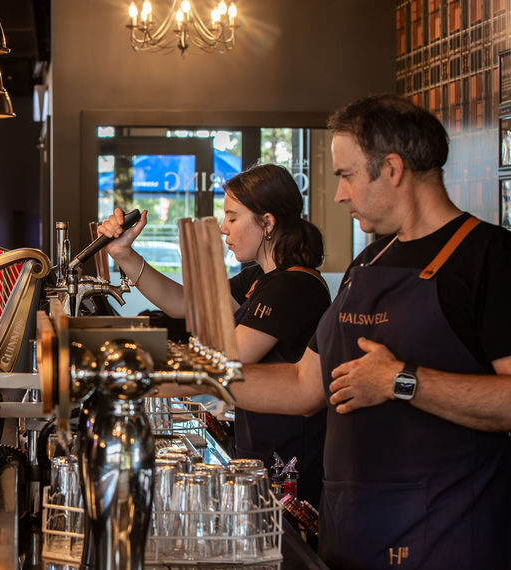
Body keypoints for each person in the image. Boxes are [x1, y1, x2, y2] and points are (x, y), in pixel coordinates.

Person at [172, 95, 511, 569]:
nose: (338, 195)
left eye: (346, 175)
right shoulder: (368, 263)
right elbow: (304, 386)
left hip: (445, 536)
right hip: (351, 527)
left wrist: (402, 380)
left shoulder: (490, 258)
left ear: (391, 169)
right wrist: (179, 374)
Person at [98, 163, 331, 507]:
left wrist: (127, 377)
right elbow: (184, 304)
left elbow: (222, 363)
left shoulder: (293, 286)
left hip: (290, 459)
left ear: (267, 222)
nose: (223, 228)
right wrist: (124, 254)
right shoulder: (259, 278)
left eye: (232, 217)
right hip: (261, 445)